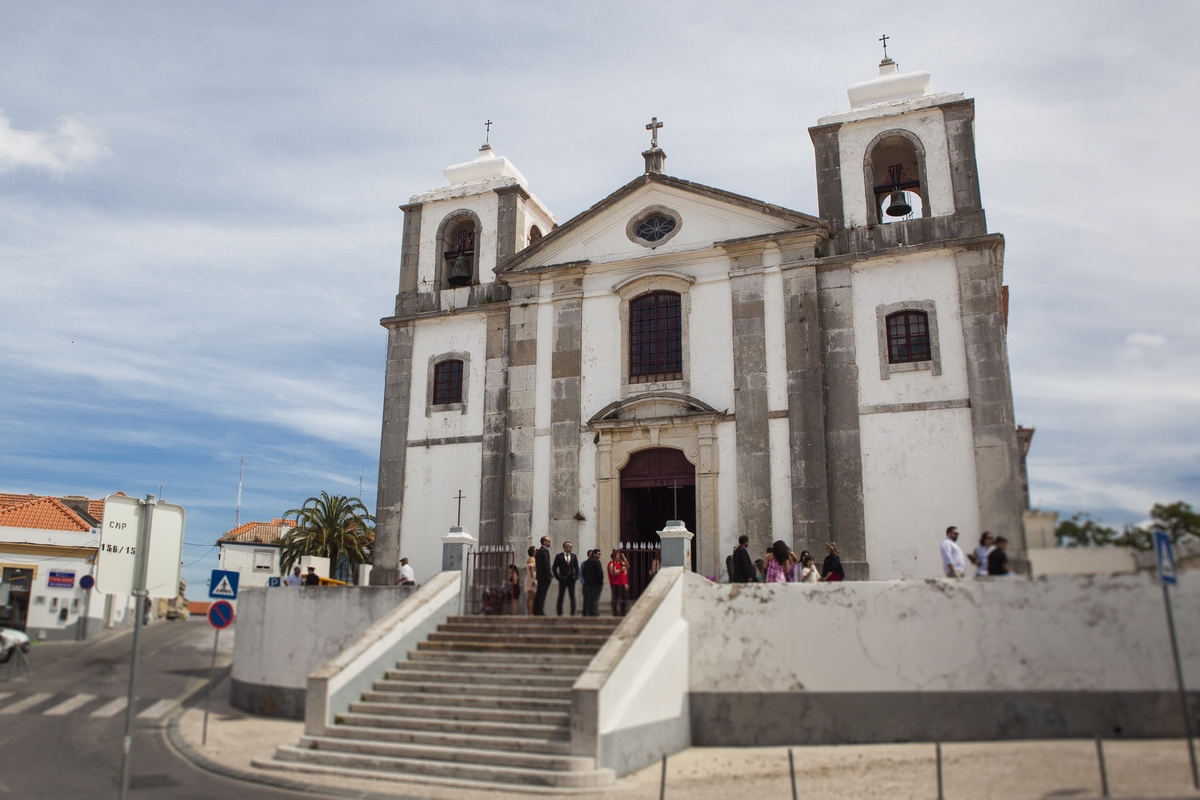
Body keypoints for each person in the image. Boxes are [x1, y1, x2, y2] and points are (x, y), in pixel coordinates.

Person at [553, 541, 579, 616]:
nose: (571, 548)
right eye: (569, 546)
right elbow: (554, 568)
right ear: (565, 547)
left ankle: (572, 612)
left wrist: (575, 577)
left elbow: (577, 568)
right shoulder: (559, 556)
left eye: (571, 546)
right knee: (561, 595)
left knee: (572, 596)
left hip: (571, 579)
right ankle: (559, 612)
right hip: (563, 578)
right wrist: (559, 577)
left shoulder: (573, 556)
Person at [581, 549, 604, 617]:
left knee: (587, 599)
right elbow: (600, 573)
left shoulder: (587, 562)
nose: (599, 555)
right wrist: (600, 582)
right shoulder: (597, 562)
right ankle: (593, 612)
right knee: (594, 598)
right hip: (596, 584)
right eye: (598, 554)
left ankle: (585, 612)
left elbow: (584, 572)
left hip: (587, 583)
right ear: (594, 554)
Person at [534, 536, 552, 616]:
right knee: (542, 594)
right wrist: (549, 574)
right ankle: (539, 611)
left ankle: (536, 610)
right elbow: (546, 563)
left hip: (539, 576)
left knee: (539, 593)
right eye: (549, 541)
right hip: (544, 576)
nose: (550, 543)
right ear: (544, 542)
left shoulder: (539, 551)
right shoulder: (545, 551)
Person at [607, 550, 629, 616]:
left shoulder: (620, 562)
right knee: (615, 598)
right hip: (615, 583)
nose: (619, 556)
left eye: (619, 555)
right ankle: (615, 612)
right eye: (617, 555)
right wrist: (621, 570)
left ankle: (623, 611)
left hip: (622, 583)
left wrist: (624, 557)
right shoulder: (611, 563)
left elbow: (627, 565)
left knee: (623, 597)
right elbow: (613, 572)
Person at [525, 545, 538, 616]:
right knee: (531, 597)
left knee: (531, 597)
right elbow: (531, 569)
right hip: (531, 578)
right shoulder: (531, 559)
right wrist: (533, 579)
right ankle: (530, 613)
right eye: (536, 550)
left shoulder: (533, 559)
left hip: (532, 577)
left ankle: (530, 612)